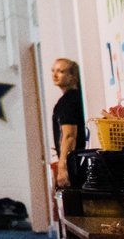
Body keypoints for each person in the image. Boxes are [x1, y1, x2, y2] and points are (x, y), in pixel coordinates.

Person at [50, 57, 87, 188]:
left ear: (72, 76)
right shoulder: (76, 97)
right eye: (53, 71)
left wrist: (62, 166)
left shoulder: (68, 101)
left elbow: (69, 135)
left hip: (74, 164)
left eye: (60, 71)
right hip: (79, 161)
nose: (54, 75)